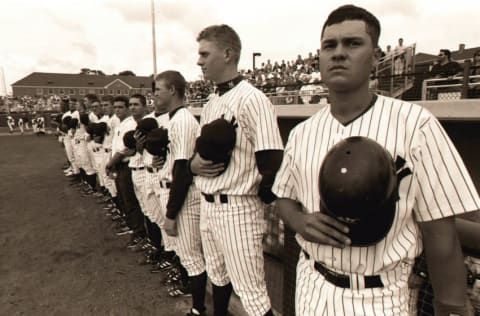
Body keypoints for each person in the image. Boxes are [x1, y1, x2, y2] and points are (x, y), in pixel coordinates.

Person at [272, 5, 479, 316]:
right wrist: (301, 221)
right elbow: (283, 200)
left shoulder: (416, 124)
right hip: (312, 284)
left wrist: (452, 305)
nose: (338, 53)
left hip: (381, 295)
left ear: (377, 56)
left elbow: (440, 230)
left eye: (352, 43)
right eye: (330, 45)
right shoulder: (302, 133)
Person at [190, 24, 284, 316]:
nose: (199, 61)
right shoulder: (212, 101)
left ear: (228, 54)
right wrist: (194, 165)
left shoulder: (253, 99)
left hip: (238, 208)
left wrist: (259, 192)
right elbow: (195, 158)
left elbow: (273, 159)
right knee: (217, 277)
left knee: (252, 296)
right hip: (208, 205)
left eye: (205, 54)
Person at [154, 70, 207, 315]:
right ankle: (193, 299)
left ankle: (197, 309)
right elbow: (174, 163)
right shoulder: (174, 119)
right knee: (187, 256)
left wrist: (172, 213)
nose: (154, 95)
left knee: (193, 259)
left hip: (185, 197)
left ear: (172, 90)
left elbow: (183, 171)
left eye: (158, 90)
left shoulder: (183, 120)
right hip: (176, 193)